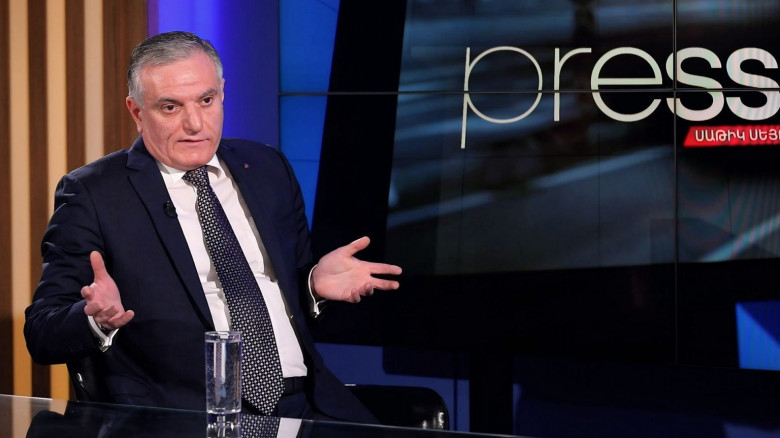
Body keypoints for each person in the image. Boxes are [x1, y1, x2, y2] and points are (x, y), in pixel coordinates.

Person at [24, 31, 401, 423]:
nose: (194, 123)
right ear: (137, 112)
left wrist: (311, 287)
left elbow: (286, 295)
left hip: (306, 403)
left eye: (206, 100)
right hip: (181, 416)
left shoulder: (268, 168)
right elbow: (41, 332)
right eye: (170, 107)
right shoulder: (94, 193)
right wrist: (94, 317)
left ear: (222, 92)